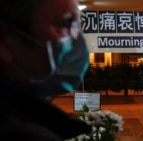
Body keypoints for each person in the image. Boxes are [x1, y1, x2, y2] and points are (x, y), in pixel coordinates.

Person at [0, 0, 92, 140]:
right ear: (5, 39)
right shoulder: (23, 134)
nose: (76, 38)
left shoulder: (27, 118)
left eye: (77, 26)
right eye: (65, 23)